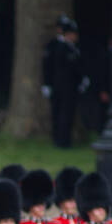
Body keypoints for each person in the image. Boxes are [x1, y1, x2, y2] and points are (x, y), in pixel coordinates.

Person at [41, 15, 87, 148]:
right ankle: (60, 141)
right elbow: (49, 67)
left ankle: (63, 141)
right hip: (62, 87)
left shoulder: (73, 48)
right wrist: (47, 84)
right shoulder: (58, 47)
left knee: (66, 115)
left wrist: (82, 80)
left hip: (69, 87)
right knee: (61, 114)